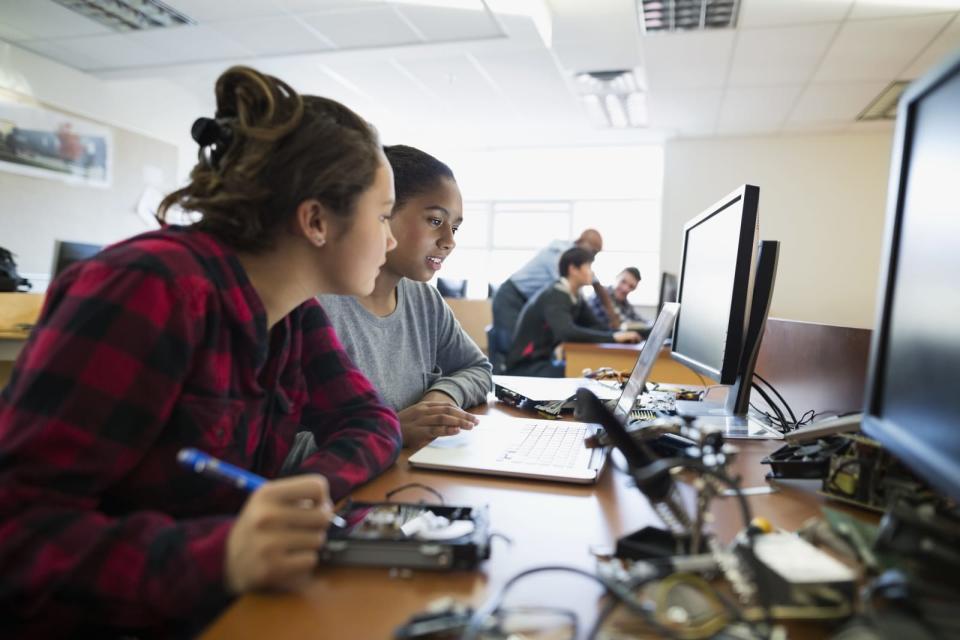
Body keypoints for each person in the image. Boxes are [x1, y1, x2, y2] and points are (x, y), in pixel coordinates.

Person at [0, 66, 402, 637]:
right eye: (384, 214)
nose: (390, 238)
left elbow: (371, 420)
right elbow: (17, 533)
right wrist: (222, 552)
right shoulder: (150, 288)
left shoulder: (292, 313)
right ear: (315, 220)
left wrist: (300, 498)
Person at [292, 145, 491, 451]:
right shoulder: (313, 308)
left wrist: (441, 398)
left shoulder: (425, 300)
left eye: (455, 227)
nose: (449, 241)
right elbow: (274, 451)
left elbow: (477, 368)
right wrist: (390, 433)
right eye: (436, 221)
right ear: (381, 214)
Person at [505, 247, 641, 377]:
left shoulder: (576, 296)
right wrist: (613, 338)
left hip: (544, 361)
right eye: (588, 267)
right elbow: (567, 332)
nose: (591, 273)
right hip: (526, 366)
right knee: (583, 375)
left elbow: (596, 326)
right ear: (573, 269)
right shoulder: (556, 294)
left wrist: (619, 335)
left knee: (591, 371)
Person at [491, 229, 605, 345]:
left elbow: (592, 284)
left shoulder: (577, 262)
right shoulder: (559, 252)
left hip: (526, 300)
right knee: (512, 344)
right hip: (511, 297)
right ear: (580, 241)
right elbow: (568, 285)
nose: (593, 256)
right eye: (592, 251)